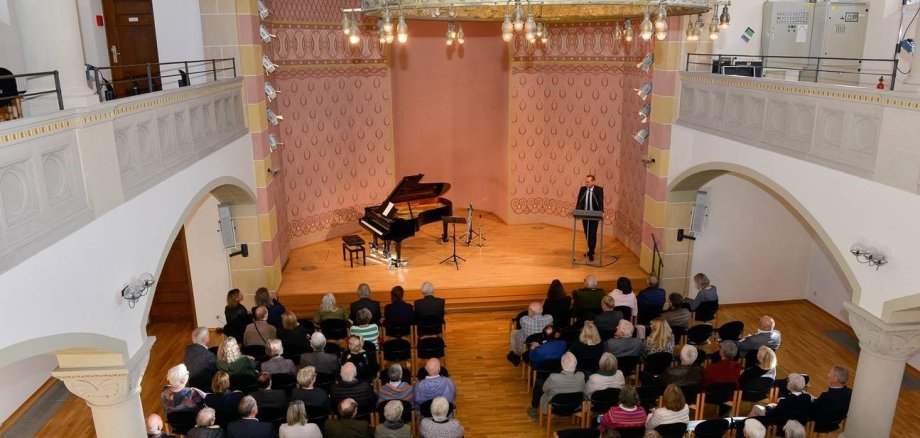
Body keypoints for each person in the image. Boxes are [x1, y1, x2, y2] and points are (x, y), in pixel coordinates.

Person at [532, 352, 586, 418]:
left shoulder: (553, 377)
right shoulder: (581, 375)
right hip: (574, 405)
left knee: (539, 382)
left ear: (562, 364)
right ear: (575, 364)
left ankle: (533, 408)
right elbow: (583, 389)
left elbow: (544, 389)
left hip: (556, 405)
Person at [508, 301, 554, 365]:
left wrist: (530, 315)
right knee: (520, 333)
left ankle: (516, 354)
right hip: (541, 342)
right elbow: (548, 318)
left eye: (528, 309)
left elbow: (521, 326)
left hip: (528, 342)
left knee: (513, 333)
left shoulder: (524, 319)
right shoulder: (549, 318)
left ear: (531, 312)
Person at [575, 174, 604, 261]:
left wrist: (601, 214)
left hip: (594, 216)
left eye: (588, 182)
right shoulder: (583, 189)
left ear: (593, 182)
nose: (586, 183)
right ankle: (591, 250)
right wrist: (577, 212)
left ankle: (591, 252)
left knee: (592, 234)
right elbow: (579, 201)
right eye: (586, 182)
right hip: (585, 215)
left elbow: (600, 203)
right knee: (587, 233)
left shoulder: (599, 190)